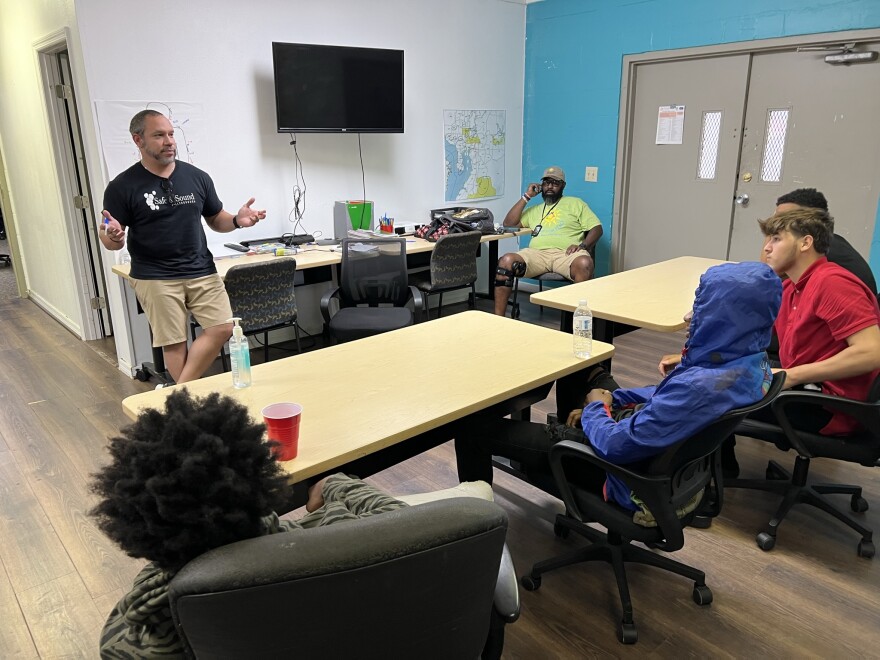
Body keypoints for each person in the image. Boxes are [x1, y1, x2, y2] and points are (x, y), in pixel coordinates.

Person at [92, 388, 409, 659]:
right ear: (261, 477)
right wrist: (335, 484)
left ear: (134, 530)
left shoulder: (143, 620)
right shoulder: (335, 536)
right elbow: (400, 520)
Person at [456, 261, 781, 514]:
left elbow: (615, 445)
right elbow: (663, 399)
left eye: (701, 308)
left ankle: (479, 528)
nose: (689, 315)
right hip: (652, 451)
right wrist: (611, 397)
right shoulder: (750, 362)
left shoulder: (700, 386)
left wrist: (596, 409)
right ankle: (572, 429)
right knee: (585, 368)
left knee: (471, 431)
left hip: (619, 472)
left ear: (725, 319)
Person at [100, 109, 267, 384]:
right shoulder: (122, 186)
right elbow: (109, 236)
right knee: (174, 342)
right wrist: (113, 236)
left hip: (201, 269)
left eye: (171, 134)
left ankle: (180, 394)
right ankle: (188, 401)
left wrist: (237, 220)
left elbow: (216, 219)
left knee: (223, 327)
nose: (169, 141)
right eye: (159, 135)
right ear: (138, 140)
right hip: (155, 276)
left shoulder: (197, 177)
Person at [757, 207, 880, 435]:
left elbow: (871, 353)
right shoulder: (792, 288)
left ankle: (714, 467)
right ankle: (719, 466)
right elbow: (750, 323)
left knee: (714, 396)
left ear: (805, 243)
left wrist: (790, 376)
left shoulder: (832, 283)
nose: (767, 247)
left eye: (776, 239)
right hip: (805, 388)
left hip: (830, 405)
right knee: (717, 379)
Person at [493, 166, 603, 315]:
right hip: (537, 255)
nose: (550, 186)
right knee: (506, 261)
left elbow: (597, 228)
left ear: (563, 186)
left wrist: (582, 245)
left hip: (566, 255)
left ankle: (578, 321)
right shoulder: (535, 209)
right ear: (541, 186)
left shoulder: (575, 203)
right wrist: (527, 196)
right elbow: (508, 224)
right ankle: (498, 319)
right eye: (546, 183)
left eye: (555, 183)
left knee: (584, 263)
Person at [773, 188, 877, 293]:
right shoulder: (830, 241)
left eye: (784, 219)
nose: (775, 224)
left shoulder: (821, 248)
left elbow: (772, 272)